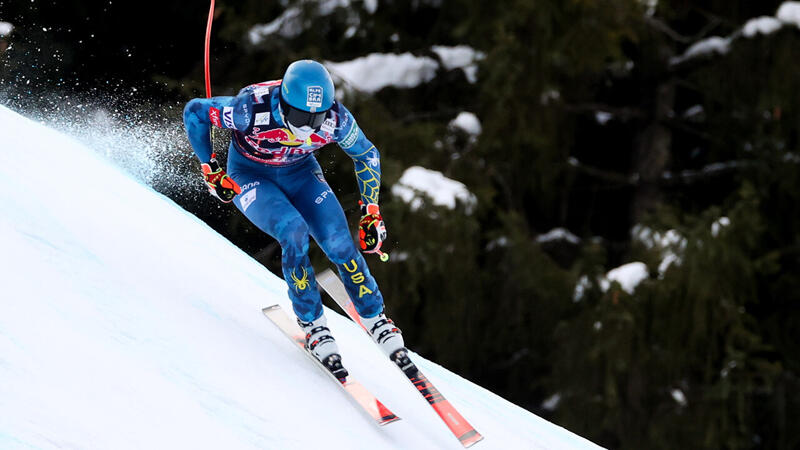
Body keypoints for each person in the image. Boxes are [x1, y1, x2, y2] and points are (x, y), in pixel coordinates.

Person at [183, 60, 405, 378]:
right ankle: (313, 324)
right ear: (283, 103)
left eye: (317, 117)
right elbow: (195, 111)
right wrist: (210, 167)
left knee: (340, 240)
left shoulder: (336, 119)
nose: (310, 126)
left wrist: (371, 210)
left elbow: (366, 153)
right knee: (294, 231)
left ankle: (374, 316)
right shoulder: (251, 109)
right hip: (250, 173)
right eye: (301, 116)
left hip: (300, 172)